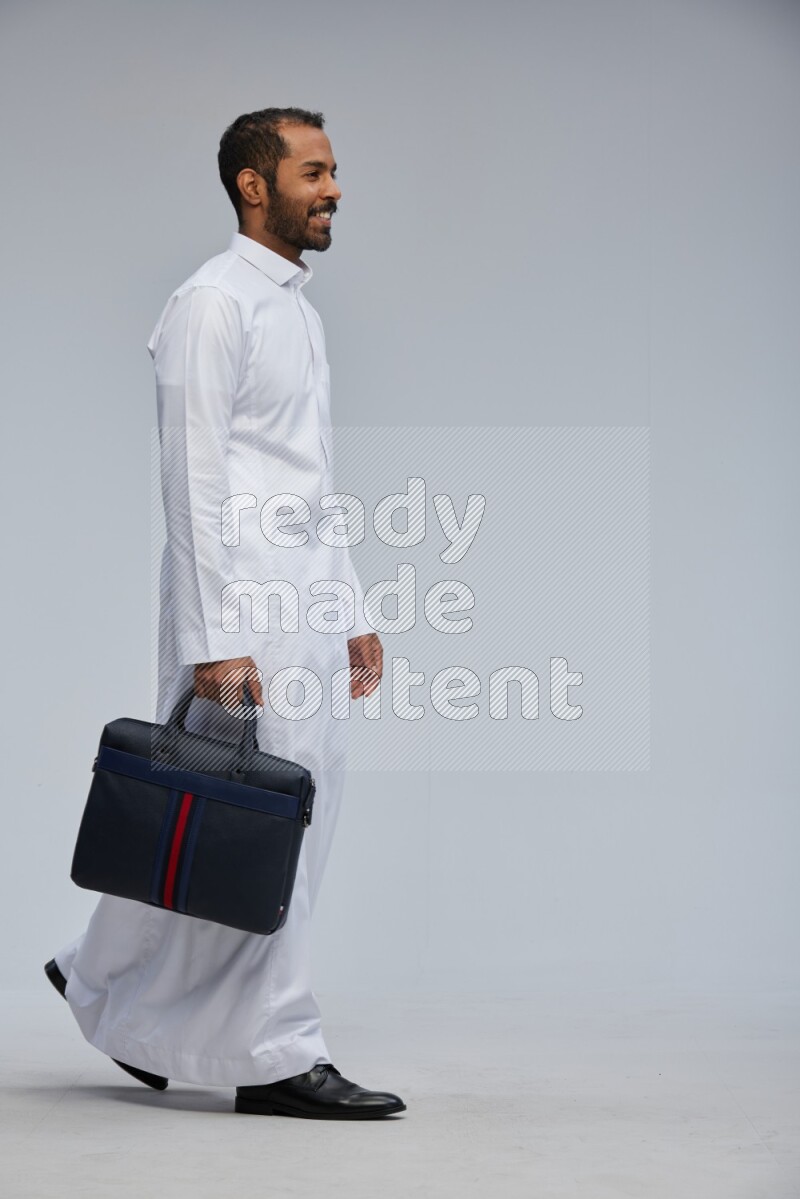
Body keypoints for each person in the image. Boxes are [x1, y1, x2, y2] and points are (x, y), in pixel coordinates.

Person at [45, 107, 406, 1120]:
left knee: (225, 810)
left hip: (299, 600)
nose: (333, 189)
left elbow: (308, 480)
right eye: (314, 171)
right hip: (242, 606)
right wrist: (214, 642)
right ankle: (276, 1049)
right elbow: (192, 479)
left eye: (334, 172)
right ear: (254, 185)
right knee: (271, 819)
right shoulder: (212, 305)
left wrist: (352, 609)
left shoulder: (294, 309)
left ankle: (99, 974)